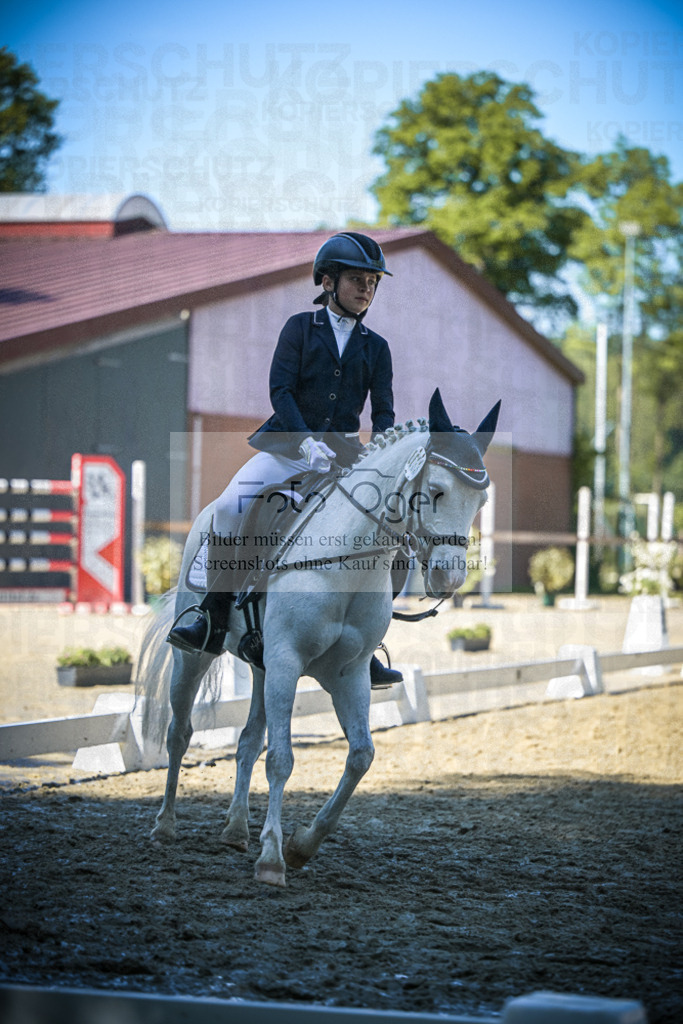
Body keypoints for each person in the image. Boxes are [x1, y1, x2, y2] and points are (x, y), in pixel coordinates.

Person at [167, 231, 404, 686]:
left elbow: (385, 409)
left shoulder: (378, 347)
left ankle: (367, 643)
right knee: (230, 505)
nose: (366, 289)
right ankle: (211, 616)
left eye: (373, 282)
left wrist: (382, 449)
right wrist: (305, 440)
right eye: (357, 279)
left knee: (389, 527)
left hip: (345, 456)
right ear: (328, 281)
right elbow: (280, 390)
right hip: (288, 446)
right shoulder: (299, 327)